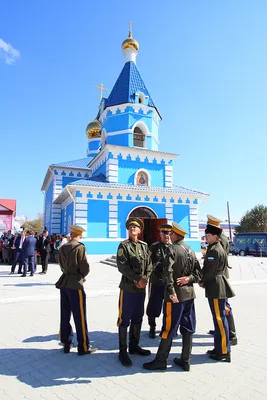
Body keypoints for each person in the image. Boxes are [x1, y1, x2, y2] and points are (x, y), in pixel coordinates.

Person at [143, 222, 202, 372]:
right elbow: (198, 273)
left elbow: (167, 272)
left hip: (175, 296)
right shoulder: (190, 250)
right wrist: (189, 279)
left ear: (174, 234)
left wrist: (170, 291)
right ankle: (185, 359)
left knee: (168, 328)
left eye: (171, 233)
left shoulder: (172, 249)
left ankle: (160, 360)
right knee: (188, 328)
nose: (169, 235)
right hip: (189, 295)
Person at [116, 217, 152, 367]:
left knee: (138, 317)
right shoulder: (123, 246)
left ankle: (134, 345)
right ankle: (122, 351)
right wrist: (138, 279)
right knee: (124, 319)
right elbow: (122, 266)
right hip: (128, 289)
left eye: (135, 227)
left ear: (140, 230)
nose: (132, 228)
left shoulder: (144, 246)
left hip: (141, 289)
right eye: (130, 227)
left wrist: (145, 278)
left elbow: (150, 264)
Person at [55, 224, 96, 355]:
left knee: (64, 314)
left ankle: (66, 343)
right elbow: (84, 266)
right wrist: (81, 276)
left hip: (64, 282)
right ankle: (83, 346)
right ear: (80, 235)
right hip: (75, 284)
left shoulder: (62, 247)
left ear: (71, 235)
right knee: (80, 315)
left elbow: (61, 265)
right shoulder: (80, 247)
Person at [199, 222, 235, 362]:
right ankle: (219, 347)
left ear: (215, 236)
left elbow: (210, 271)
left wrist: (202, 280)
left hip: (215, 286)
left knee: (220, 319)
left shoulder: (214, 250)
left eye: (208, 235)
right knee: (218, 318)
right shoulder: (214, 247)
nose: (206, 237)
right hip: (215, 284)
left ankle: (224, 351)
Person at [206, 215, 238, 346]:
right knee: (220, 308)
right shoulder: (218, 239)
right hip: (218, 275)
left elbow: (219, 257)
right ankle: (221, 330)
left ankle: (231, 334)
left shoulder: (221, 240)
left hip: (219, 277)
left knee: (224, 307)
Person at [146, 224, 172, 338]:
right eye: (164, 233)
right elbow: (148, 262)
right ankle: (152, 327)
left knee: (169, 306)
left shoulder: (173, 247)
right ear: (160, 234)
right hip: (156, 281)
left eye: (168, 233)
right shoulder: (154, 247)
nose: (166, 235)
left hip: (169, 282)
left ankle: (166, 327)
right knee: (153, 305)